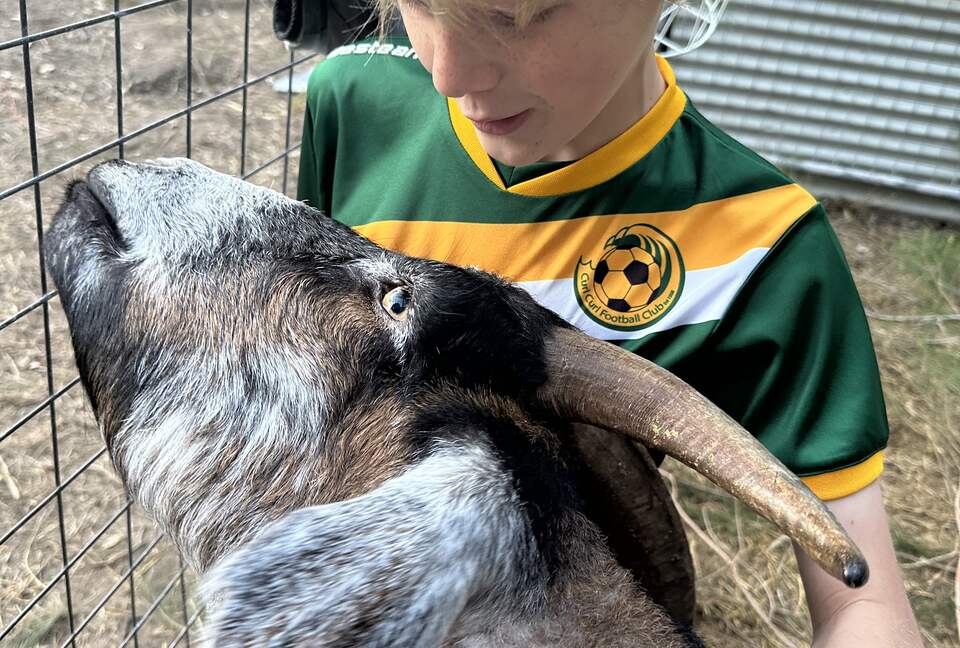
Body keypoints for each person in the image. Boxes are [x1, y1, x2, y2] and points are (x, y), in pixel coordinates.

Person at [296, 0, 922, 644]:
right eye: (420, 4)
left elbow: (863, 605)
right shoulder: (353, 100)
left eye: (517, 15)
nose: (449, 75)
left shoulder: (763, 244)